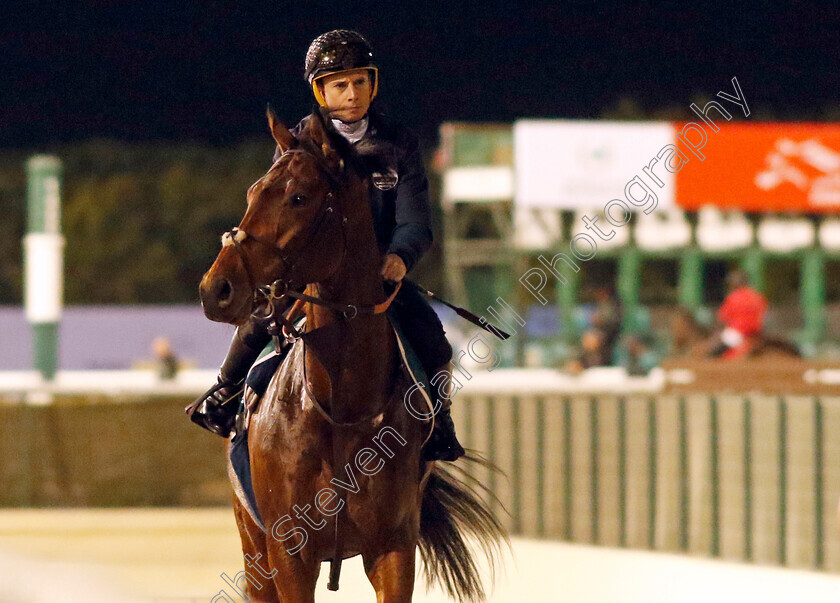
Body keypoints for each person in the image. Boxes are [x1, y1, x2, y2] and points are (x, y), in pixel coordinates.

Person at [188, 30, 464, 462]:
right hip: (310, 270)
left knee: (432, 338)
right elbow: (277, 214)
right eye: (339, 84)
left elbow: (415, 221)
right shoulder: (296, 143)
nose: (351, 93)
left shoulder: (399, 143)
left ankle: (440, 421)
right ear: (321, 91)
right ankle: (223, 393)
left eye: (359, 82)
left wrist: (399, 256)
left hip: (378, 273)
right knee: (260, 321)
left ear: (372, 84)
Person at [709, 269, 768, 359]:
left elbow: (722, 318)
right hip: (757, 333)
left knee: (714, 352)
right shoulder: (757, 296)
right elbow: (764, 313)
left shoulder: (733, 297)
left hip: (737, 332)